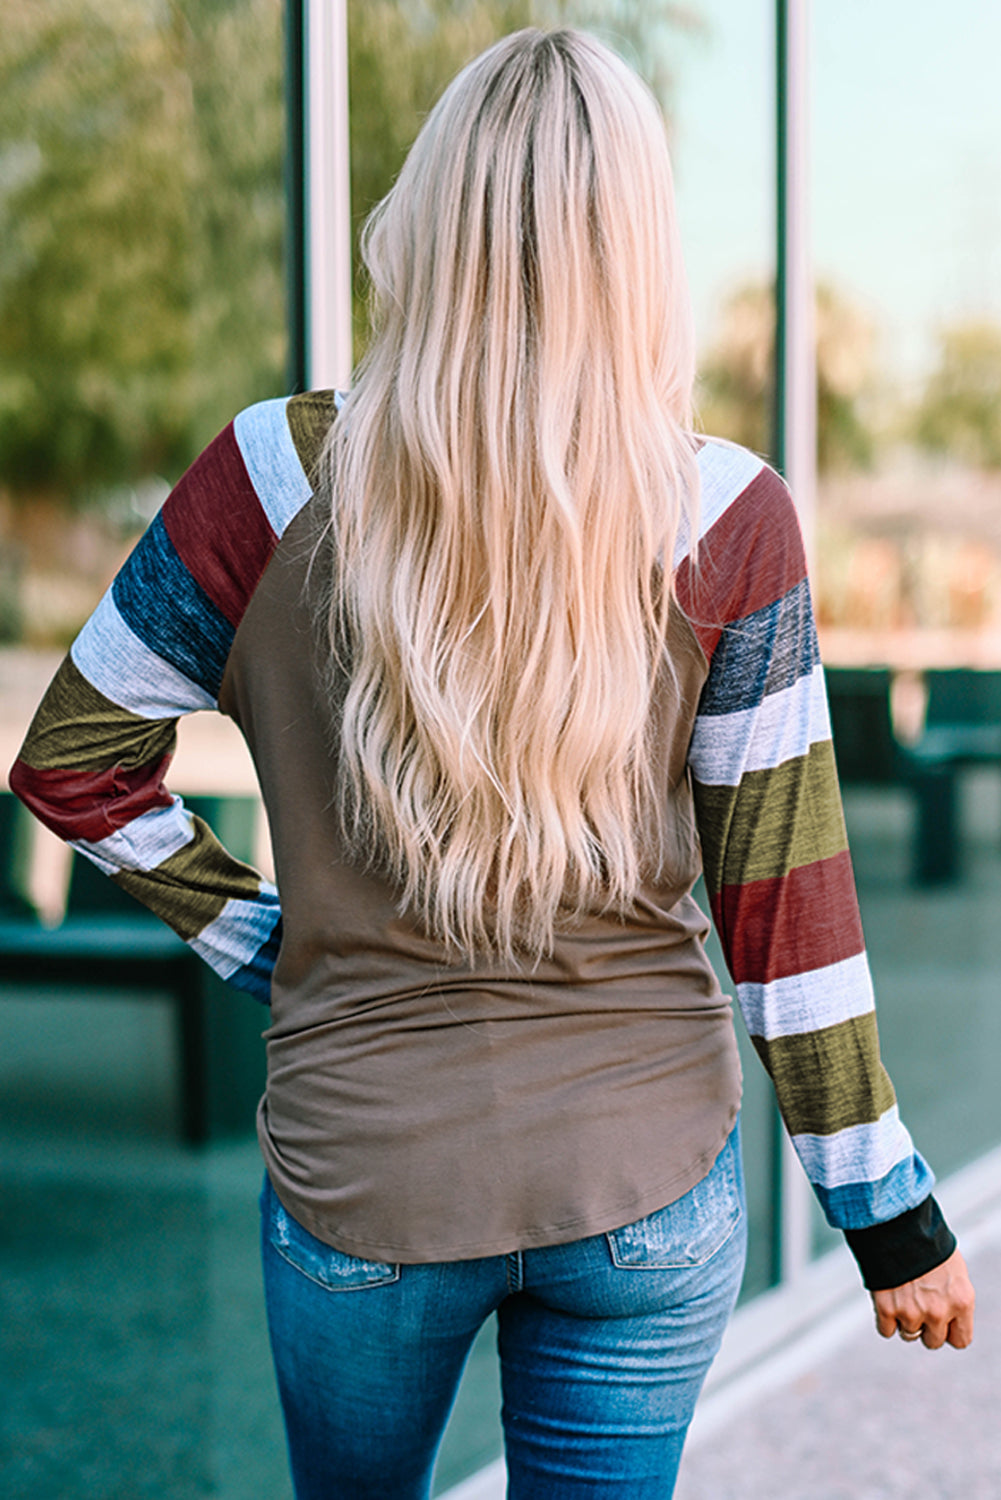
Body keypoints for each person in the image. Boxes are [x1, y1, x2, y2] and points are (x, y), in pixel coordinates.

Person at [10, 26, 974, 1500]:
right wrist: (886, 1214)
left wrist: (255, 932)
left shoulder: (272, 474)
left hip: (363, 1177)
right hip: (643, 1176)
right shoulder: (728, 512)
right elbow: (786, 918)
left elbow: (76, 762)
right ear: (638, 248)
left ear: (426, 218)